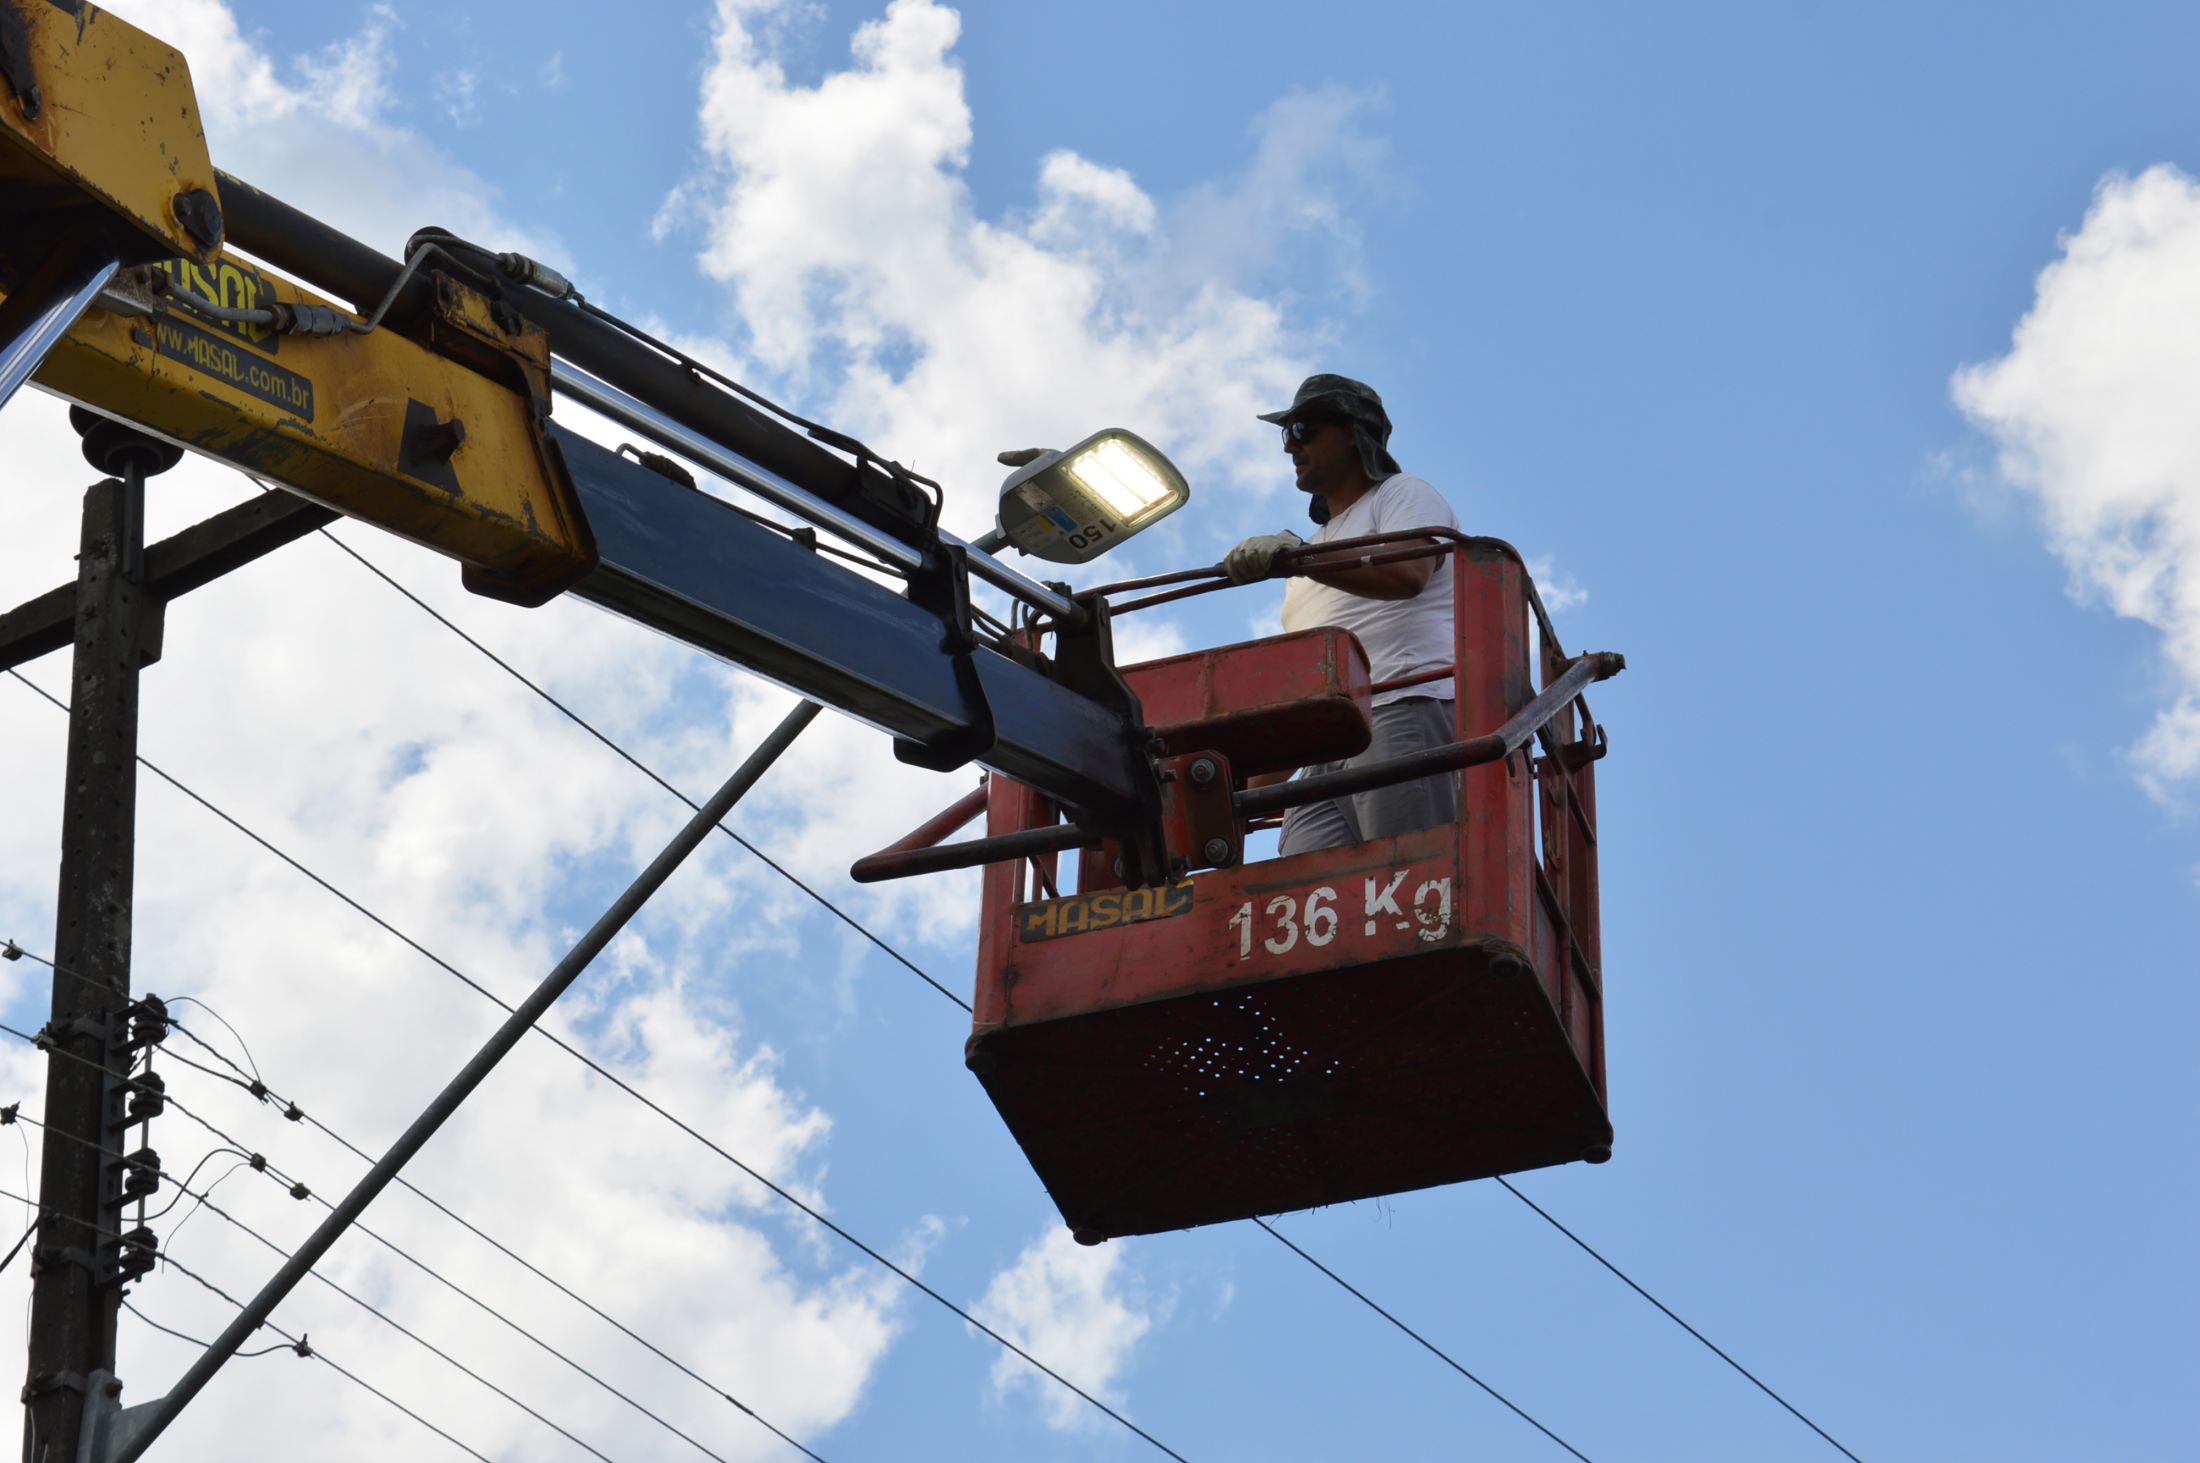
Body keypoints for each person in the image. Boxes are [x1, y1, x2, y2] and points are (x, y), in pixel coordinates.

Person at [1223, 374, 1461, 856]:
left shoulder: (1402, 494)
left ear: (1353, 431)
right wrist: (1234, 799)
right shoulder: (1304, 556)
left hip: (1402, 704)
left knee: (1409, 881)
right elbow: (1306, 688)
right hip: (1325, 745)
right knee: (1305, 895)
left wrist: (1301, 559)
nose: (1291, 447)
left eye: (1302, 430)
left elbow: (1407, 574)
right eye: (1285, 435)